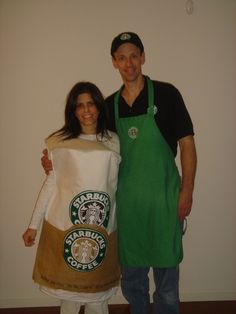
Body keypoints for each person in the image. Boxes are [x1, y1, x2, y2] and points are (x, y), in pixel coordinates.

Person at [41, 32, 197, 314]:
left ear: (143, 57)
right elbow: (84, 142)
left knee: (167, 286)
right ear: (114, 62)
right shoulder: (109, 107)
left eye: (134, 56)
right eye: (121, 58)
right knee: (133, 283)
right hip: (126, 210)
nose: (129, 63)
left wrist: (187, 191)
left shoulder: (167, 94)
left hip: (165, 202)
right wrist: (53, 159)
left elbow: (187, 144)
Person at [23, 81, 121, 314]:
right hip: (66, 227)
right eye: (79, 106)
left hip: (102, 228)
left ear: (99, 107)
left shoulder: (115, 141)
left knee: (98, 300)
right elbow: (50, 184)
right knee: (69, 299)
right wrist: (33, 226)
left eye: (91, 104)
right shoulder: (59, 143)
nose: (86, 110)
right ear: (73, 110)